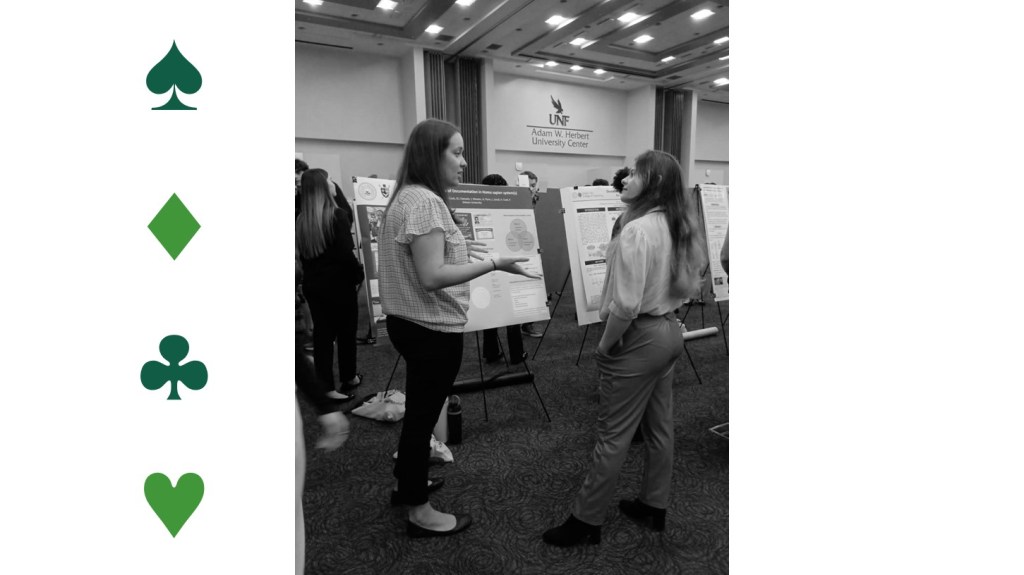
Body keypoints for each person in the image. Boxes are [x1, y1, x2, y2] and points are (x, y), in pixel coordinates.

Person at [379, 119, 540, 537]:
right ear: (432, 155)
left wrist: (466, 249)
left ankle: (406, 483)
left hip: (411, 324)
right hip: (430, 329)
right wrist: (493, 264)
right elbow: (433, 275)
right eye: (457, 152)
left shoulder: (407, 196)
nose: (465, 162)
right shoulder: (426, 202)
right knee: (422, 417)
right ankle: (418, 510)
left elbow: (423, 261)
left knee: (419, 412)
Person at [542, 150, 707, 547]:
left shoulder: (637, 230)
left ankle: (586, 520)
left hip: (639, 336)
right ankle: (653, 504)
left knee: (612, 434)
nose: (625, 179)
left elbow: (627, 305)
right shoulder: (678, 224)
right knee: (659, 427)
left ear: (653, 183)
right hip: (669, 332)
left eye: (635, 173)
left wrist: (605, 344)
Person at [297, 168, 365, 396]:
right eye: (330, 180)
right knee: (346, 333)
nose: (333, 183)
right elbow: (346, 254)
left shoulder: (301, 219)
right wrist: (358, 274)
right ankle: (349, 377)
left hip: (314, 287)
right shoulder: (336, 216)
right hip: (339, 286)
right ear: (323, 187)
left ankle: (326, 387)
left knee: (322, 336)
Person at [478, 174, 527, 365]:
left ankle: (490, 352)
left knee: (490, 309)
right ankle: (516, 354)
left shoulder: (477, 208)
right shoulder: (509, 209)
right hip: (507, 265)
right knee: (510, 311)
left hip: (485, 266)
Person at [519, 170, 544, 338]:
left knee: (533, 285)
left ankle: (528, 324)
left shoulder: (536, 200)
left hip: (532, 247)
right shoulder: (515, 199)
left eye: (534, 185)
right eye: (530, 185)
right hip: (517, 246)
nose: (532, 189)